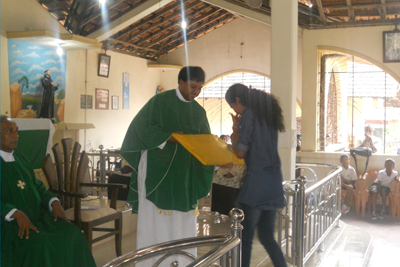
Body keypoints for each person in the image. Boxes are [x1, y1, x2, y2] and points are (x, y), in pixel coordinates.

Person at [120, 66, 215, 267]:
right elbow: (140, 128)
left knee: (182, 225)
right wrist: (167, 137)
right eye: (192, 86)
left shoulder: (199, 112)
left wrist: (218, 158)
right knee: (155, 225)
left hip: (184, 178)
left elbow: (205, 143)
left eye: (199, 88)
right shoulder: (159, 102)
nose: (196, 92)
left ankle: (183, 263)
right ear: (180, 82)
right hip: (157, 173)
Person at [0, 115, 96, 267]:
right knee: (41, 244)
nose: (16, 135)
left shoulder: (21, 159)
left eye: (16, 131)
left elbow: (38, 186)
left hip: (38, 217)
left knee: (73, 233)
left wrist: (54, 202)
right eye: (9, 131)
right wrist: (14, 213)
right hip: (9, 224)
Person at [225, 83, 287, 267]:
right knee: (267, 236)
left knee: (245, 236)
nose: (235, 111)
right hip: (273, 183)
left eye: (233, 106)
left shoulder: (249, 114)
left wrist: (236, 128)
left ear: (237, 100)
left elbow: (240, 151)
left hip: (256, 185)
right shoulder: (267, 115)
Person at [211, 134, 246, 215]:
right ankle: (218, 212)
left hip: (236, 175)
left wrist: (232, 173)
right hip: (223, 173)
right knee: (217, 179)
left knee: (234, 182)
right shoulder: (226, 149)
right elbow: (220, 162)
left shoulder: (243, 152)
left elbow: (242, 166)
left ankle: (233, 214)